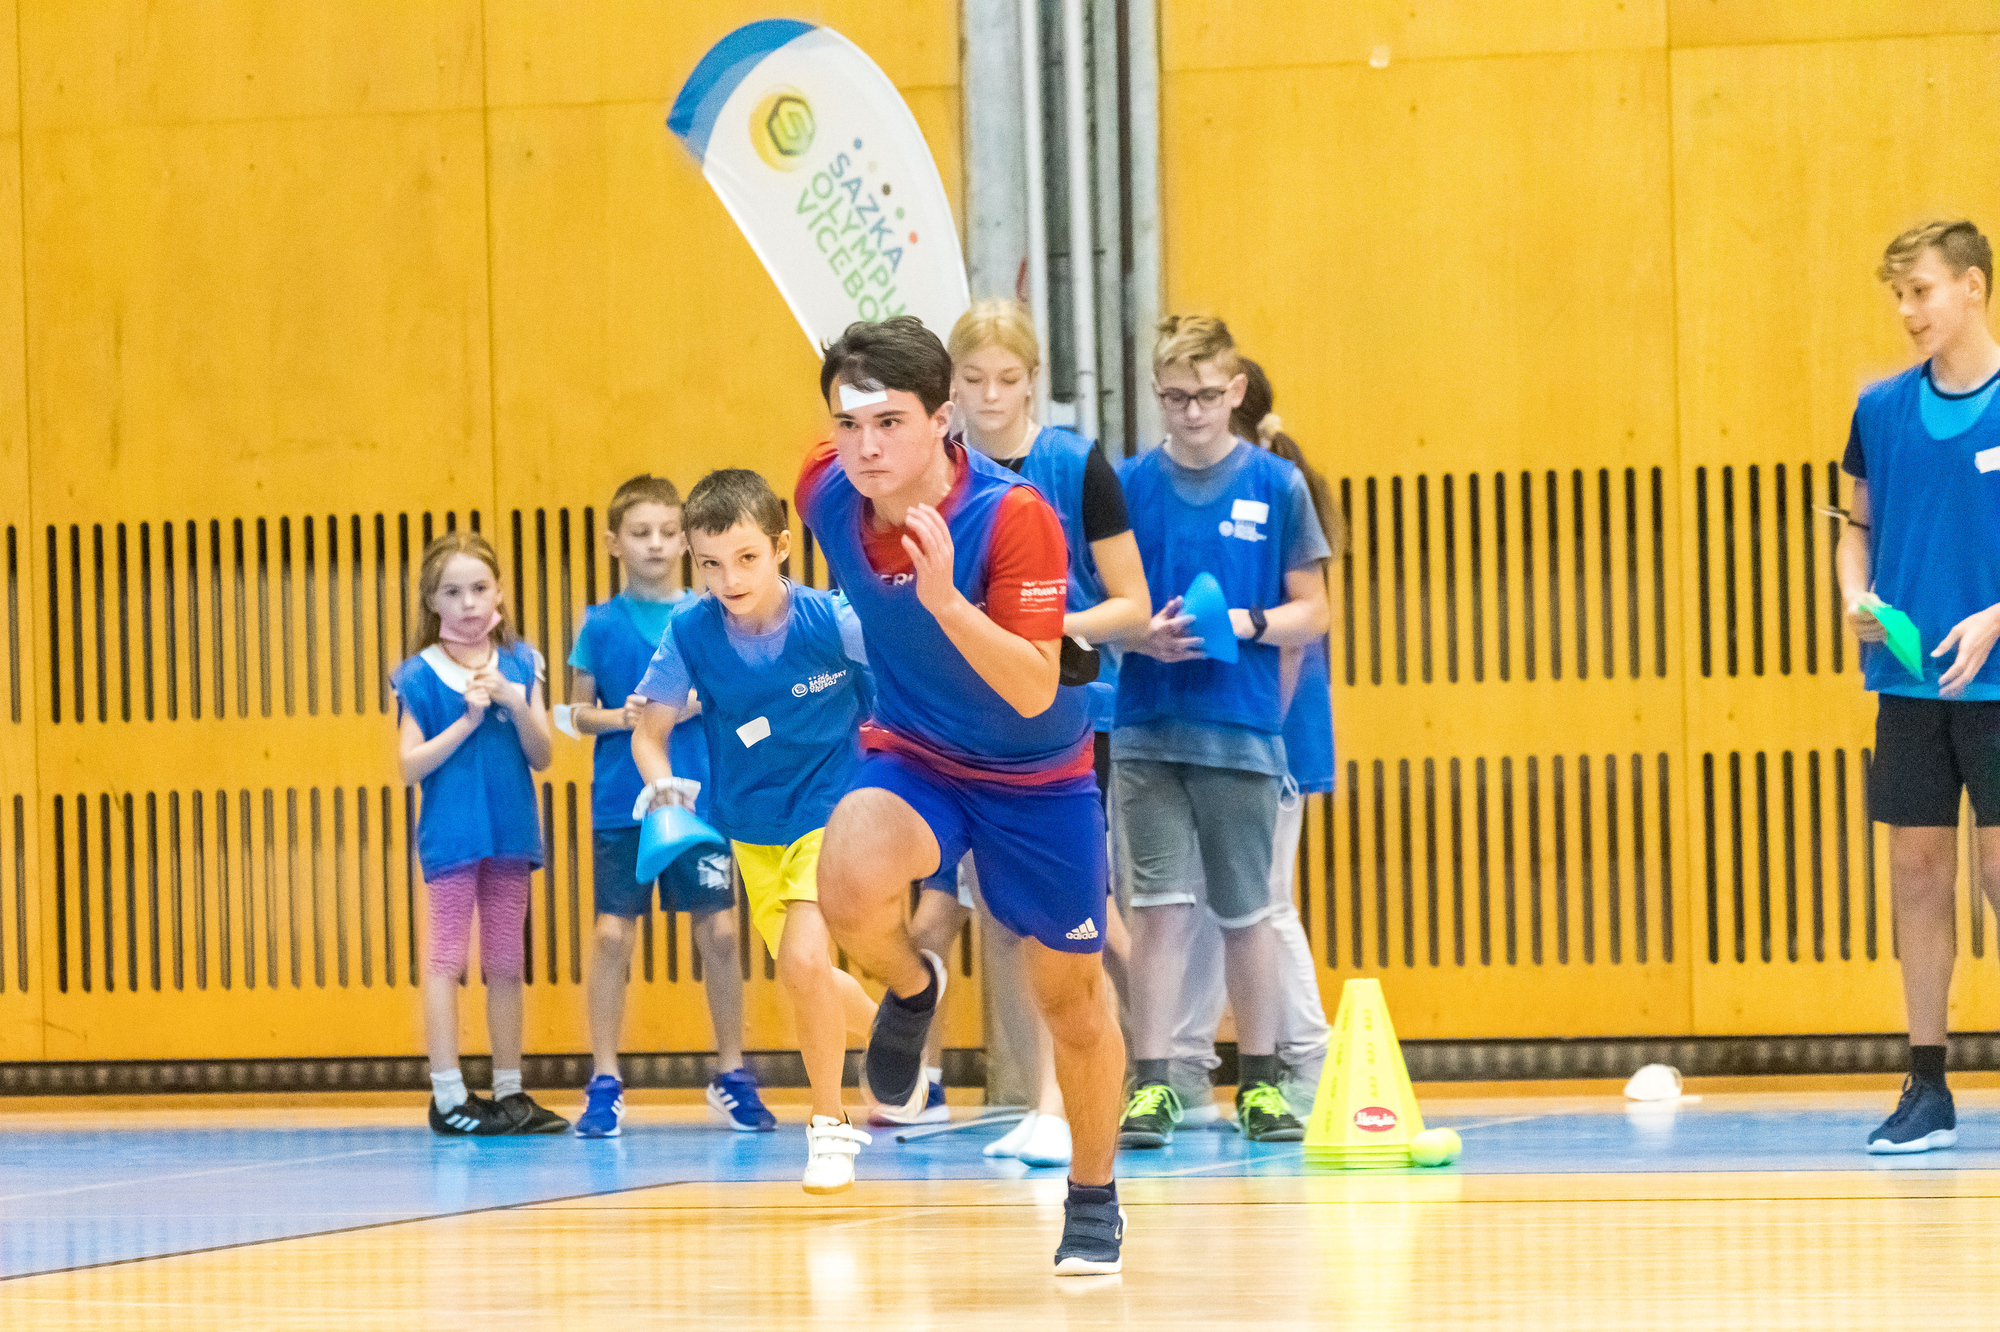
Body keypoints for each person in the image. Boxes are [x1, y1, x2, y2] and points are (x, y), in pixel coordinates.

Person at [800, 315, 1129, 1276]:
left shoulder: (1014, 516)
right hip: (918, 752)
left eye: (889, 423)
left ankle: (1094, 1197)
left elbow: (1033, 685)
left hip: (1038, 777)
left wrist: (946, 599)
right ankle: (915, 989)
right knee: (845, 878)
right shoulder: (824, 489)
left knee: (1070, 1001)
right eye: (849, 423)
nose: (865, 446)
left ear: (942, 421)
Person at [884, 300, 1151, 1172]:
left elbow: (1132, 605)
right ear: (950, 393)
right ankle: (1053, 1098)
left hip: (1059, 718)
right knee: (1005, 917)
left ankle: (1106, 1085)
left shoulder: (1076, 467)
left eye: (1008, 379)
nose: (992, 395)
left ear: (1034, 381)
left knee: (1076, 921)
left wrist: (1043, 629)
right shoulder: (933, 474)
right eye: (974, 380)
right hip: (955, 722)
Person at [630, 469, 880, 1193]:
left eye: (745, 558)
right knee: (809, 977)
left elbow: (911, 679)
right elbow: (648, 733)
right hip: (751, 826)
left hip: (835, 807)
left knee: (802, 961)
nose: (729, 578)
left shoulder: (834, 621)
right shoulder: (690, 630)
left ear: (780, 549)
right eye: (710, 563)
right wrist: (660, 782)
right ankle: (900, 1029)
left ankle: (829, 1127)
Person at [1113, 316, 1330, 1149]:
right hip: (1148, 731)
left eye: (1206, 395)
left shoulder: (1278, 486)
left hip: (1241, 731)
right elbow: (1103, 605)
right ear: (1156, 394)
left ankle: (1263, 1083)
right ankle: (1154, 1084)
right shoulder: (1130, 485)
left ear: (1235, 390)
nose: (1193, 411)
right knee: (1160, 909)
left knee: (1249, 912)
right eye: (1175, 398)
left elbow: (1314, 610)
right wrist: (1142, 637)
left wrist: (1247, 622)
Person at [1839, 219, 2000, 1154]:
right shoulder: (1881, 410)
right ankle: (1927, 1084)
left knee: (1998, 872)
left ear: (1973, 286)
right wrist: (1855, 593)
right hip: (1909, 683)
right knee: (1918, 872)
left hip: (1998, 682)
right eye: (1898, 295)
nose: (1907, 311)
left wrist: (1995, 614)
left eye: (1923, 291)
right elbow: (1854, 527)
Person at [565, 475, 768, 1138]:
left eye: (666, 532)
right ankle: (604, 1079)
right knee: (611, 935)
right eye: (640, 532)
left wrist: (685, 705)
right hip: (622, 803)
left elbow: (737, 694)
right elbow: (576, 714)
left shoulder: (709, 616)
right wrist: (619, 717)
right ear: (614, 543)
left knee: (721, 931)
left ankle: (731, 1073)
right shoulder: (599, 625)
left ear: (684, 541)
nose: (654, 543)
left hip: (701, 796)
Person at [1166, 359, 1339, 1119]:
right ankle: (1185, 1065)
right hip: (1231, 731)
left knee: (1263, 902)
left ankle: (1312, 1063)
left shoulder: (1270, 497)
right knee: (1217, 902)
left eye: (1207, 400)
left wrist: (1267, 733)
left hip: (1269, 733)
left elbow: (1293, 637)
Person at [392, 531, 569, 1136]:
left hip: (510, 831)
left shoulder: (521, 663)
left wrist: (516, 704)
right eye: (452, 592)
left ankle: (510, 1091)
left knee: (505, 962)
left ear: (498, 592)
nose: (468, 603)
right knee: (445, 960)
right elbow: (409, 765)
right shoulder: (419, 675)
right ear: (432, 601)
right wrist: (467, 722)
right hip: (452, 836)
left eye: (479, 588)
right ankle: (448, 1095)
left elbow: (543, 754)